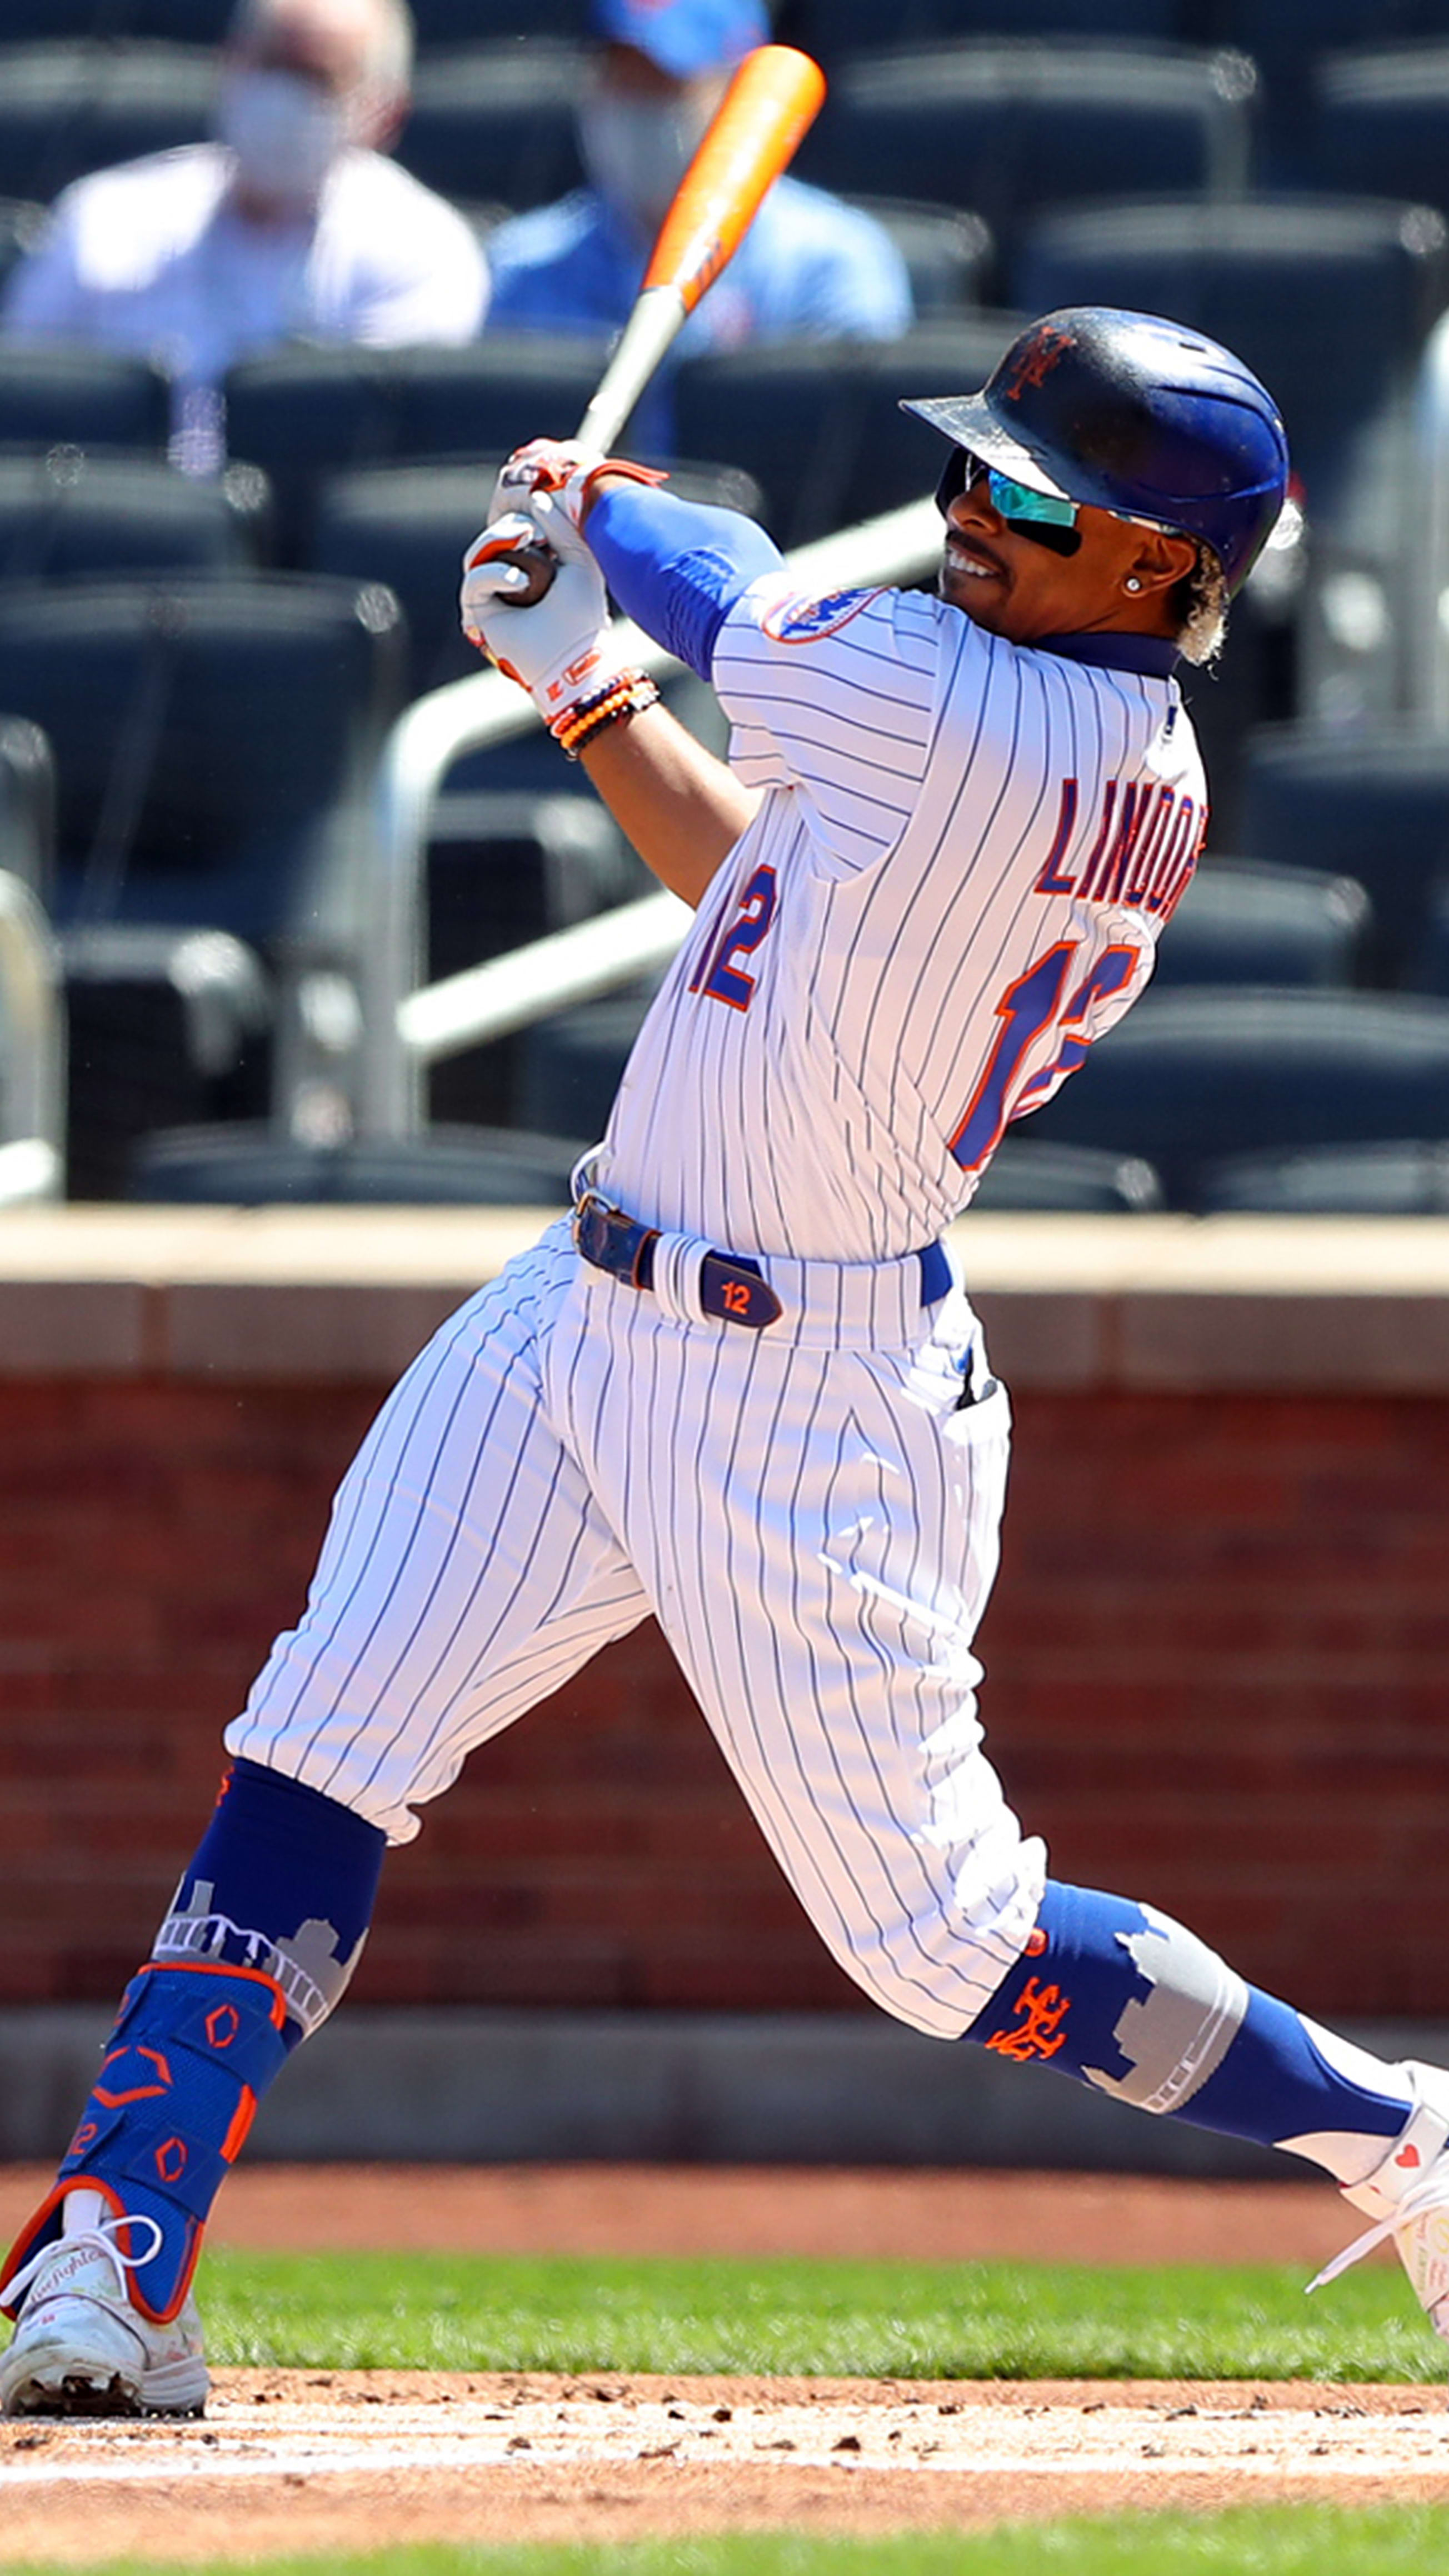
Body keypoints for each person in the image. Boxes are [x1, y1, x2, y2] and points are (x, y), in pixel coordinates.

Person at [3, 303, 1447, 2420]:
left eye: (1027, 497)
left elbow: (743, 597)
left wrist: (600, 516)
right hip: (588, 1300)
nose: (966, 511)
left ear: (1161, 567)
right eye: (966, 470)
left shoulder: (1007, 718)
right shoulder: (1007, 719)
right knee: (317, 1739)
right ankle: (116, 2254)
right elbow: (753, 903)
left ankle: (1398, 2132)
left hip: (808, 1389)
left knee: (948, 1941)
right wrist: (585, 685)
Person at [1, 0, 488, 475]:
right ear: (228, 64)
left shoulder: (424, 250)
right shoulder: (104, 218)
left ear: (385, 113)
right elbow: (27, 405)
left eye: (315, 79)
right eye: (268, 66)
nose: (280, 98)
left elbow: (377, 461)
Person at [485, 0, 913, 454]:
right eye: (621, 77)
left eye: (664, 83)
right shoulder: (523, 265)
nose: (636, 103)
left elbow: (851, 466)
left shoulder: (832, 260)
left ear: (738, 91)